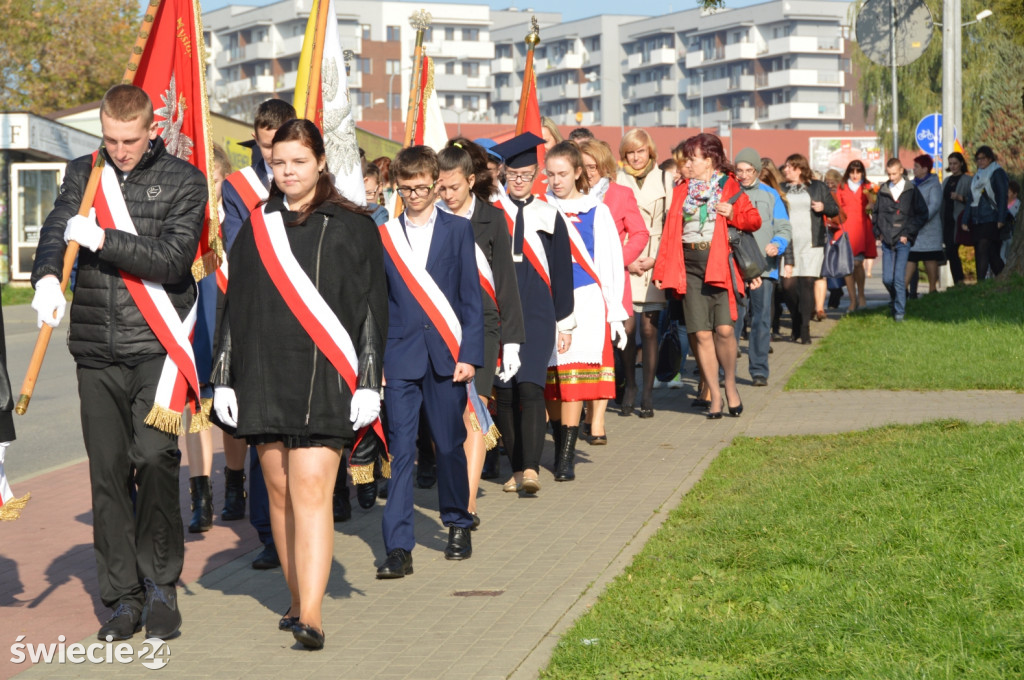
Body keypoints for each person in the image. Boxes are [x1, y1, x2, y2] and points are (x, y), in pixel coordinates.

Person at [30, 84, 207, 641]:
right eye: (110, 139)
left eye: (129, 140)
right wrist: (46, 276)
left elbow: (175, 260)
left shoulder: (184, 181)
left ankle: (161, 587)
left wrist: (105, 239)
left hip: (155, 349)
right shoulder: (84, 171)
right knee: (107, 475)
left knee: (155, 459)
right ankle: (122, 597)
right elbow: (59, 227)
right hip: (94, 351)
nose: (119, 150)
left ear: (151, 129)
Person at [212, 119, 385, 650]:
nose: (287, 171)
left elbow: (371, 307)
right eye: (278, 162)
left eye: (298, 162)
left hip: (326, 377)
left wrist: (369, 380)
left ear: (320, 163)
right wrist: (224, 377)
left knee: (311, 488)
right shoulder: (257, 226)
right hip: (264, 375)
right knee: (282, 493)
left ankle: (311, 612)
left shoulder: (354, 226)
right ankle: (295, 595)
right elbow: (233, 306)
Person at [375, 145, 484, 578]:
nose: (416, 195)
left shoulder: (458, 230)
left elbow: (470, 298)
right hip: (399, 358)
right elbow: (377, 304)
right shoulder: (383, 235)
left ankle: (458, 521)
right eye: (407, 188)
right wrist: (377, 360)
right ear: (396, 187)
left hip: (446, 357)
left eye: (423, 187)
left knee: (449, 443)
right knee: (401, 452)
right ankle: (398, 547)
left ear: (436, 183)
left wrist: (469, 355)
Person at [219, 98, 297, 570]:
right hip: (257, 319)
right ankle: (267, 534)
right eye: (264, 145)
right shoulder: (239, 188)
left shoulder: (307, 178)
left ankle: (309, 518)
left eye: (277, 145)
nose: (270, 156)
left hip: (304, 323)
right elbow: (235, 249)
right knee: (261, 429)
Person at [435, 138, 525, 524]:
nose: (447, 194)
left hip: (484, 326)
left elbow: (505, 282)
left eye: (454, 186)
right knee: (451, 418)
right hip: (440, 324)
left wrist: (514, 340)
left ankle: (466, 503)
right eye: (441, 186)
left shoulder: (493, 219)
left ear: (471, 180)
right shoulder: (428, 217)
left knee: (475, 414)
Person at [489, 133, 575, 495]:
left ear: (538, 173)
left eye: (527, 174)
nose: (520, 180)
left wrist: (565, 321)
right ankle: (513, 465)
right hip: (500, 311)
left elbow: (562, 271)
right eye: (514, 174)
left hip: (538, 312)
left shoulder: (548, 214)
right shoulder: (491, 214)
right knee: (505, 393)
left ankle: (531, 469)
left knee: (531, 387)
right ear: (504, 173)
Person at [652, 133, 761, 418]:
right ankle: (713, 396)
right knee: (700, 334)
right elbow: (669, 235)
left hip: (719, 264)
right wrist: (662, 271)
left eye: (692, 158)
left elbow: (754, 220)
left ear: (709, 160)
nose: (688, 163)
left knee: (724, 330)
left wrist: (733, 212)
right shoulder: (682, 189)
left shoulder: (729, 185)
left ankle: (730, 387)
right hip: (688, 266)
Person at [543, 141, 628, 479]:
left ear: (578, 173)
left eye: (562, 173)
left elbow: (609, 262)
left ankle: (565, 458)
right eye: (550, 174)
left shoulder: (598, 210)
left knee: (574, 380)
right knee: (552, 382)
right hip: (548, 301)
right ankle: (560, 439)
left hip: (587, 302)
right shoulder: (539, 208)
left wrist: (615, 313)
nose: (556, 180)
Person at [576, 138, 647, 442]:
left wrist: (619, 260)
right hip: (577, 284)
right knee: (581, 350)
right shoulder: (568, 197)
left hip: (610, 284)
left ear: (604, 166)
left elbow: (640, 233)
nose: (588, 174)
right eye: (583, 167)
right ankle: (579, 412)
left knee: (605, 350)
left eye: (593, 167)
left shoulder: (619, 194)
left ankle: (597, 421)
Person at [182, 144, 230, 534]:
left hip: (232, 324)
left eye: (213, 177)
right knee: (196, 412)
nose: (209, 185)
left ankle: (235, 484)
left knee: (232, 414)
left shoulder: (239, 220)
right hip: (197, 325)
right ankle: (201, 495)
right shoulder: (186, 222)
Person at [616, 129, 675, 417]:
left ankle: (648, 393)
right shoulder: (614, 179)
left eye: (640, 151)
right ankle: (630, 385)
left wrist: (658, 258)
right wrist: (626, 261)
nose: (636, 157)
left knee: (650, 329)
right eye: (630, 152)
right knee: (626, 330)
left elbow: (671, 225)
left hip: (655, 256)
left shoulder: (665, 179)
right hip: (624, 257)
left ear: (650, 151)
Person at [733, 147, 791, 387]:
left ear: (757, 171)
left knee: (760, 320)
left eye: (749, 170)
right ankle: (724, 370)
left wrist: (777, 244)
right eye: (739, 170)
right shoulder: (730, 193)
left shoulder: (771, 195)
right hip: (734, 267)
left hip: (764, 268)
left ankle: (758, 370)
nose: (744, 175)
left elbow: (784, 228)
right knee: (733, 320)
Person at [779, 153, 839, 343]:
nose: (785, 169)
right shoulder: (780, 189)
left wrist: (823, 207)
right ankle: (796, 319)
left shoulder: (817, 187)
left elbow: (834, 209)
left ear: (799, 168)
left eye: (789, 166)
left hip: (812, 243)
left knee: (807, 284)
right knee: (787, 286)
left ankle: (804, 328)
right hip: (788, 243)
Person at [873, 158, 928, 321]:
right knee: (887, 279)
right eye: (889, 174)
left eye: (894, 174)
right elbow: (875, 213)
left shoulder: (911, 190)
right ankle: (896, 298)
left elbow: (922, 213)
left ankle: (899, 313)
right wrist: (878, 232)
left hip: (903, 240)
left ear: (902, 171)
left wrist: (908, 234)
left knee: (898, 278)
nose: (891, 177)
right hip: (886, 239)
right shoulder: (883, 190)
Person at [963, 145, 1010, 280]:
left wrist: (1001, 218)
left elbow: (1002, 196)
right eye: (978, 159)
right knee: (989, 252)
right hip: (978, 219)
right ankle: (1002, 277)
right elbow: (971, 199)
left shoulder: (997, 172)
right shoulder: (977, 175)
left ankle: (981, 281)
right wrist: (966, 219)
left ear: (990, 159)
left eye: (983, 159)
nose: (980, 162)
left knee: (983, 248)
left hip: (991, 217)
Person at [835, 160, 876, 311]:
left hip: (861, 229)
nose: (855, 175)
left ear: (862, 172)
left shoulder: (868, 186)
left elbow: (874, 205)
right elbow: (837, 206)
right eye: (852, 172)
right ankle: (852, 299)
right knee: (847, 267)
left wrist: (872, 205)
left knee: (858, 264)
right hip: (845, 229)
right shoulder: (842, 187)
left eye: (858, 172)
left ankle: (861, 295)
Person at [907, 154, 944, 296]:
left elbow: (934, 206)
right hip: (914, 231)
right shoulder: (911, 184)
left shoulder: (934, 184)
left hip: (929, 230)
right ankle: (902, 290)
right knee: (911, 257)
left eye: (916, 167)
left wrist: (920, 219)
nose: (914, 169)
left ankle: (932, 290)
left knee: (930, 258)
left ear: (925, 168)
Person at [941, 152, 971, 286]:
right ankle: (958, 281)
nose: (952, 166)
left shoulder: (967, 180)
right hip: (947, 220)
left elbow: (974, 200)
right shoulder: (947, 180)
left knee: (953, 249)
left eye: (955, 163)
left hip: (959, 221)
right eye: (950, 164)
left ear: (961, 164)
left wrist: (961, 198)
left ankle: (959, 281)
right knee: (950, 251)